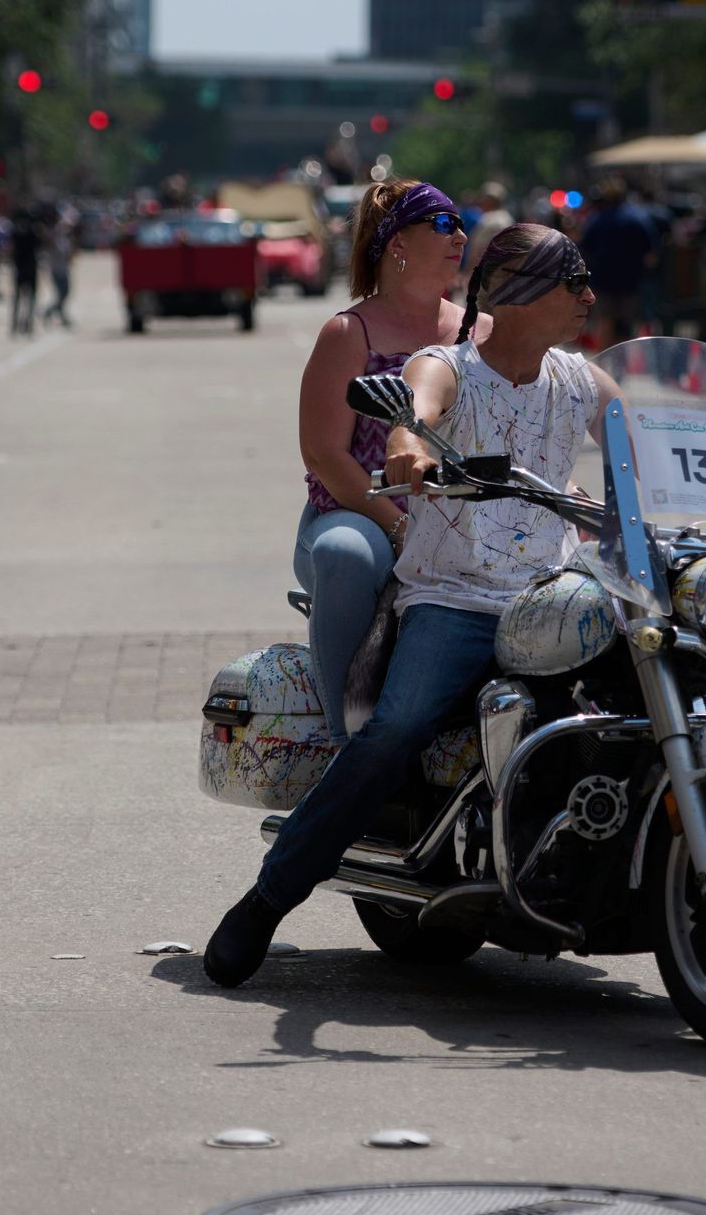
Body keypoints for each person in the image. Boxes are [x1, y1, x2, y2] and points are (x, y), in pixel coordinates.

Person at [206, 223, 610, 987]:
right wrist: (410, 447)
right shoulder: (448, 365)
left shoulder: (578, 379)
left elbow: (644, 439)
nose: (590, 296)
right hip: (457, 598)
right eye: (573, 281)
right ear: (520, 293)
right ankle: (267, 899)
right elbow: (417, 407)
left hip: (553, 596)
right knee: (393, 730)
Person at [291, 178, 473, 746]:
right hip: (360, 515)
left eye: (460, 223)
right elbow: (324, 454)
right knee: (345, 555)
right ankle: (344, 746)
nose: (461, 235)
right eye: (443, 224)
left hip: (464, 518)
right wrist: (398, 528)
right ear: (397, 242)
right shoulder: (349, 333)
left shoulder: (481, 330)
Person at [578, 180, 656, 346]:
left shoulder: (598, 219)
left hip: (602, 279)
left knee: (605, 321)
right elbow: (650, 253)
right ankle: (621, 357)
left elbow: (584, 248)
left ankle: (604, 358)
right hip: (630, 280)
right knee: (626, 325)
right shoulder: (638, 218)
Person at [6, 205, 43, 336]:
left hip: (21, 268)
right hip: (29, 268)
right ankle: (26, 324)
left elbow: (11, 250)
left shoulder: (16, 233)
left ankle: (17, 324)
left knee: (19, 298)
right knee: (28, 298)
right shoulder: (33, 232)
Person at [42, 203, 77, 328]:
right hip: (56, 270)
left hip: (64, 270)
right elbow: (48, 246)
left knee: (65, 294)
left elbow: (70, 255)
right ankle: (49, 311)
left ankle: (60, 315)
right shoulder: (53, 236)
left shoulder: (66, 240)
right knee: (61, 294)